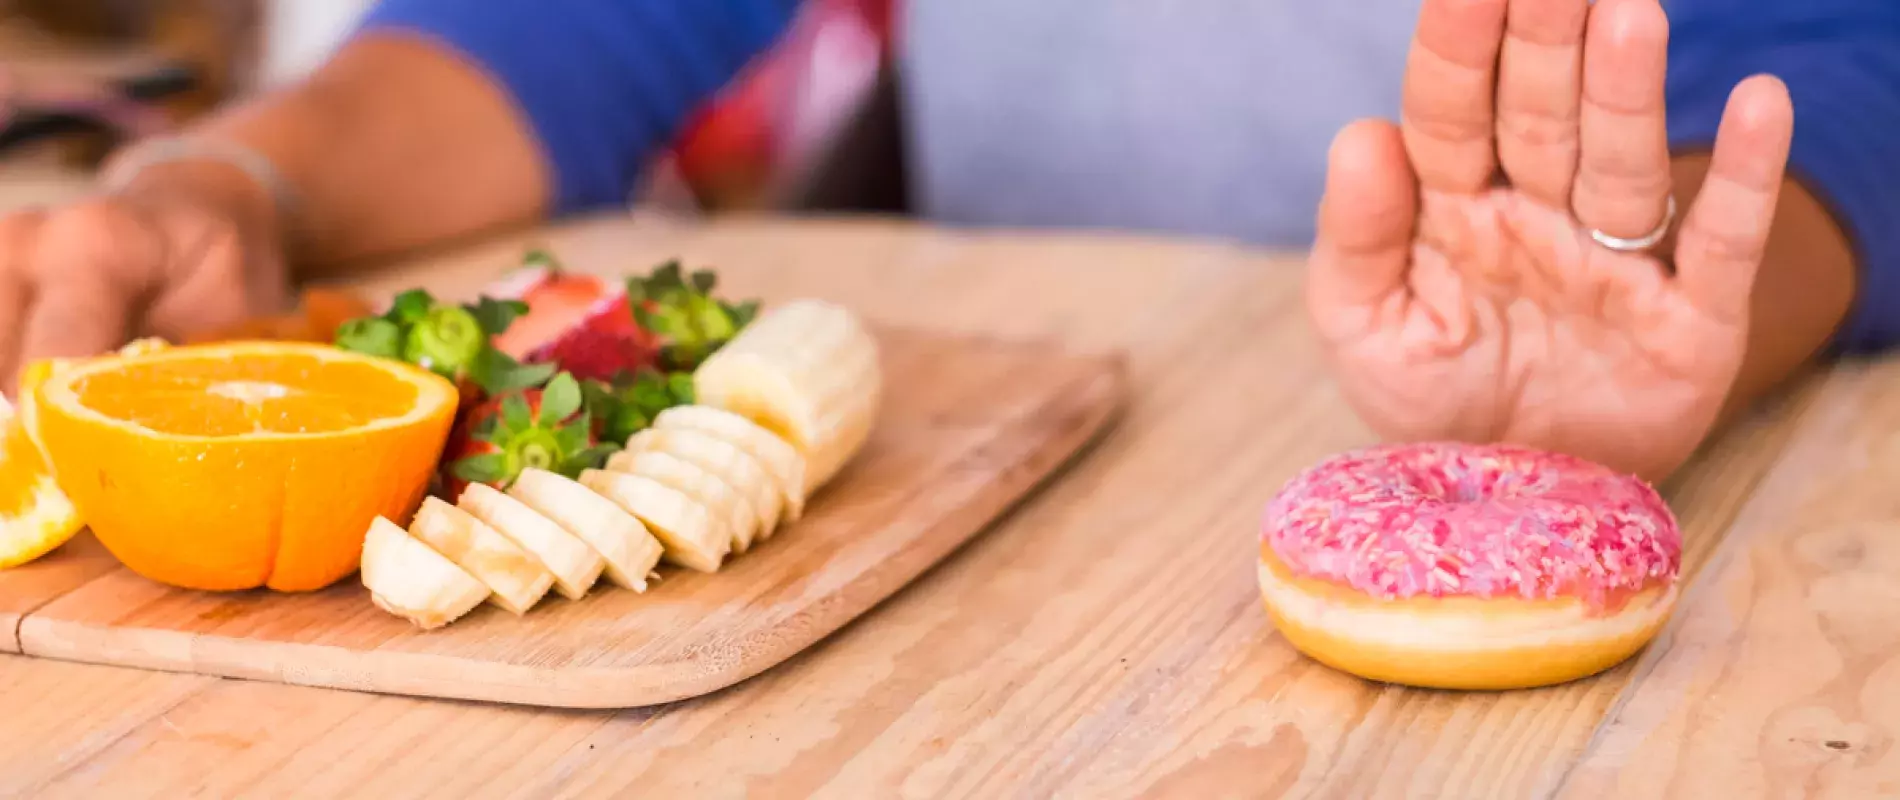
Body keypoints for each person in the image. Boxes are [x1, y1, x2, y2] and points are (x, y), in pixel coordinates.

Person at [0, 0, 1890, 484]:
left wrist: (1671, 301)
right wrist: (235, 186)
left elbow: (1860, 69)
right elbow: (568, 24)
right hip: (1040, 476)